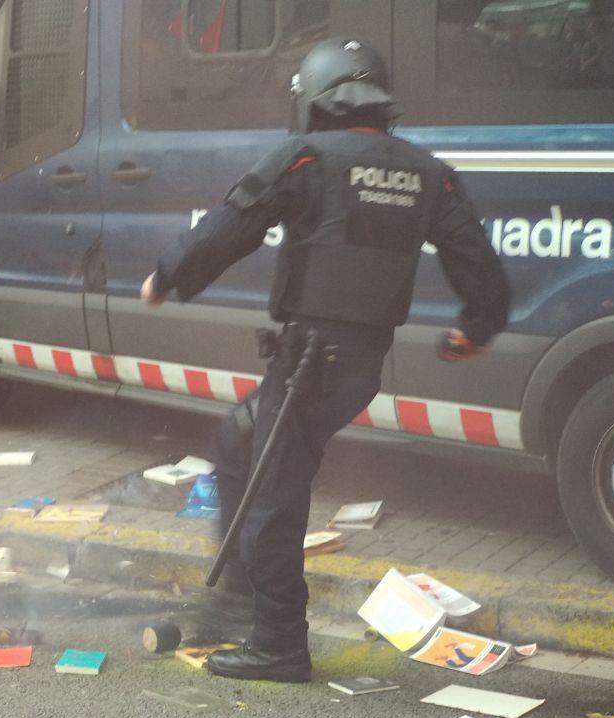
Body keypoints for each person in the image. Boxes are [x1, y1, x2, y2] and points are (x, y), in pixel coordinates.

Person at [141, 37, 510, 682]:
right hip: (358, 368)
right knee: (239, 441)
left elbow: (235, 222)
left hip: (308, 361)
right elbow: (478, 265)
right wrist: (476, 329)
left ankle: (279, 642)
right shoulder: (430, 172)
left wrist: (168, 275)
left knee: (273, 498)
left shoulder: (306, 157)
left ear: (316, 99)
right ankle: (237, 597)